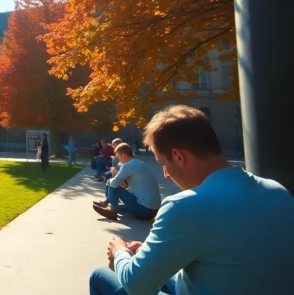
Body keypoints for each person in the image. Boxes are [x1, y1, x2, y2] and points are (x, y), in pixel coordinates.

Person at [89, 105, 294, 295]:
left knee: (99, 276)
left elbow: (136, 285)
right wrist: (154, 253)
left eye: (163, 163)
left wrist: (120, 252)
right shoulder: (277, 191)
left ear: (178, 156)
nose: (166, 174)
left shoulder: (184, 206)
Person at [92, 143, 161, 221]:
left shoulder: (128, 165)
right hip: (153, 211)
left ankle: (111, 210)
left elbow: (114, 184)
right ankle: (109, 205)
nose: (118, 159)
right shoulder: (140, 163)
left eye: (118, 157)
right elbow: (128, 186)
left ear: (123, 155)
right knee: (119, 205)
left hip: (144, 209)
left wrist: (112, 177)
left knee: (111, 184)